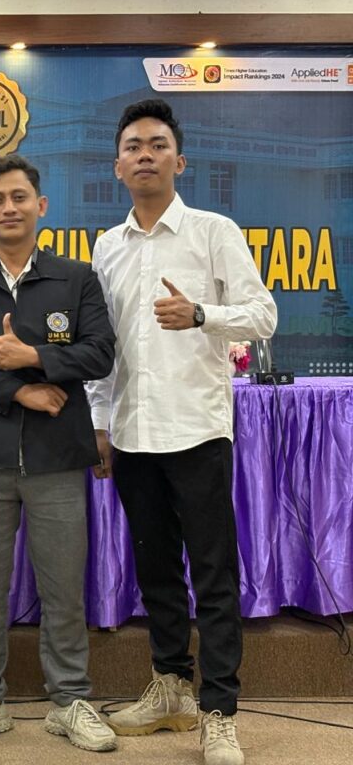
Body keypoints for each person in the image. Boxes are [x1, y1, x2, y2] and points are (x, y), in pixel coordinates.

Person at [87, 99, 277, 765]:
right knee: (156, 571)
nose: (145, 154)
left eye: (158, 144)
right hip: (132, 433)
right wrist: (100, 424)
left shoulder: (212, 231)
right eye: (133, 146)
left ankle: (219, 711)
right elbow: (103, 348)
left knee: (214, 575)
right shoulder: (107, 247)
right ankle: (171, 688)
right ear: (118, 166)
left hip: (197, 429)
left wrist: (201, 315)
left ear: (180, 160)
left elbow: (263, 315)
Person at [0, 155, 117, 753]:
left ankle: (70, 700)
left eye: (19, 197)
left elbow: (100, 353)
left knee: (63, 588)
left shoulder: (77, 278)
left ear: (41, 206)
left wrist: (33, 356)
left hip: (57, 460)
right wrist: (19, 391)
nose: (8, 208)